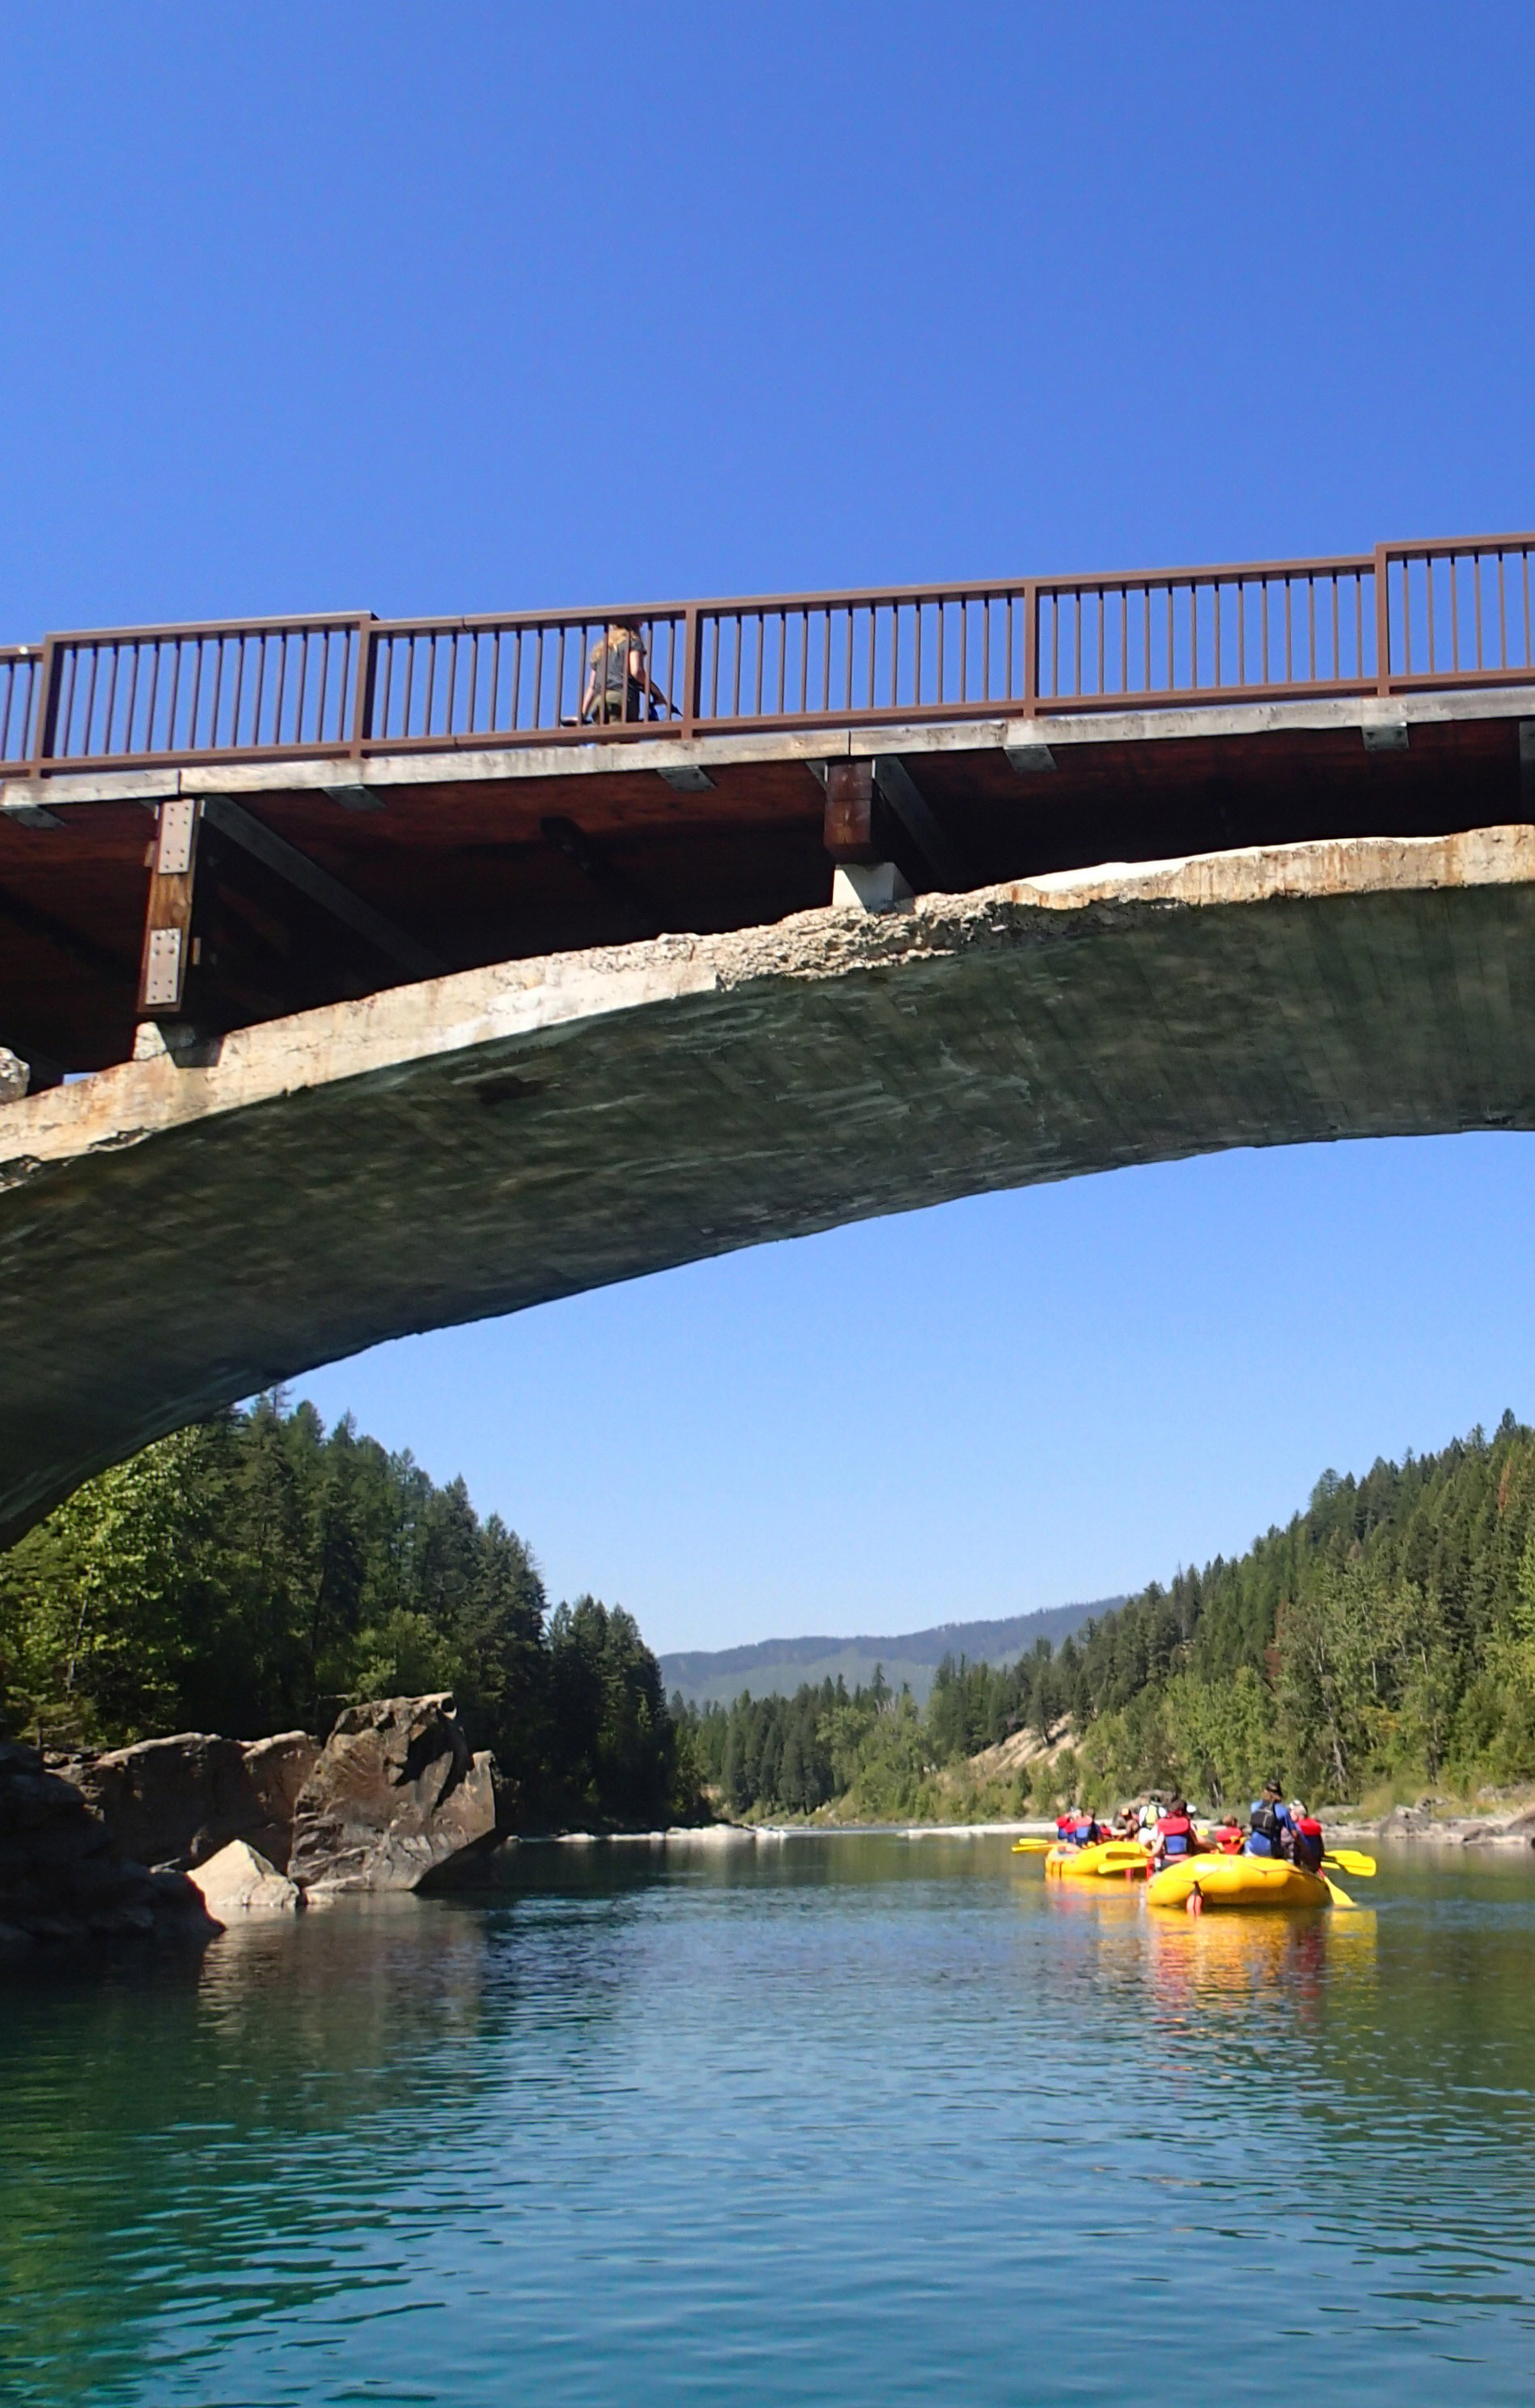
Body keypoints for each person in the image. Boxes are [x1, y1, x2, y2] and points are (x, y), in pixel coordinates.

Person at [579, 622, 671, 724]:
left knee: (603, 738)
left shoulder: (601, 649)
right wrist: (657, 693)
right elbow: (637, 672)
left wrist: (582, 714)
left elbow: (592, 687)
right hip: (620, 698)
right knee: (621, 738)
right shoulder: (632, 642)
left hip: (598, 701)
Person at [1149, 1795, 1203, 1873]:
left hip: (1167, 1864)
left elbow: (1155, 1852)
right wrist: (1215, 1846)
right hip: (1186, 1863)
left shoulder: (1161, 1825)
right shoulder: (1188, 1824)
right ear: (1183, 1812)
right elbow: (1200, 1841)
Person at [1245, 1778, 1296, 1859]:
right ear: (1279, 1796)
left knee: (1247, 1842)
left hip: (1253, 1850)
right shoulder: (1283, 1811)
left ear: (1264, 1792)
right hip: (1271, 1851)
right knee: (1289, 1853)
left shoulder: (1254, 1806)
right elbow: (1295, 1834)